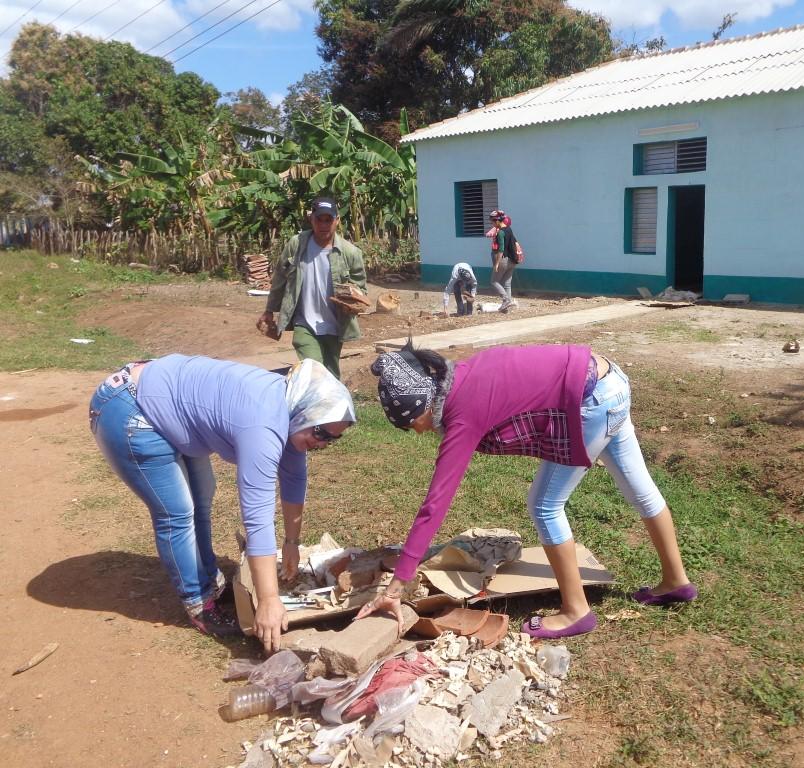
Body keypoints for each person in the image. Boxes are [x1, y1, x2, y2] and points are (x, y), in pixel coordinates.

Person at [356, 344, 696, 639]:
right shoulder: (462, 375)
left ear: (425, 401)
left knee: (545, 505)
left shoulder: (462, 414)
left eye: (414, 422)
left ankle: (576, 611)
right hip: (610, 380)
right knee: (641, 491)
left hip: (590, 399)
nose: (419, 432)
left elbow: (436, 503)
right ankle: (675, 582)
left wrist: (397, 585)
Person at [88, 355, 356, 653]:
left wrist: (292, 542)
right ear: (305, 414)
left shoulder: (294, 410)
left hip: (165, 402)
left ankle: (210, 585)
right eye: (320, 433)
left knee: (201, 499)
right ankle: (198, 602)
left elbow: (294, 478)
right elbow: (258, 518)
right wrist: (268, 600)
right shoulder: (264, 427)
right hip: (129, 409)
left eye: (334, 439)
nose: (323, 443)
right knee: (177, 513)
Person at [259, 196, 367, 379]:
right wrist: (269, 310)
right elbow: (279, 279)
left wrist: (353, 301)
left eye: (329, 220)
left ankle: (334, 405)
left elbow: (361, 290)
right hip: (304, 323)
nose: (324, 225)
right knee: (314, 370)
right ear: (311, 219)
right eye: (319, 219)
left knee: (331, 375)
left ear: (337, 220)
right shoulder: (297, 245)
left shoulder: (350, 253)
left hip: (335, 324)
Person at [488, 209, 518, 313]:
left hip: (503, 260)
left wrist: (496, 264)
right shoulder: (509, 229)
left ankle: (506, 300)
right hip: (512, 261)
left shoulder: (500, 232)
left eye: (492, 221)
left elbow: (501, 249)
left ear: (497, 221)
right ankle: (506, 308)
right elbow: (515, 242)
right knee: (507, 284)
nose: (491, 223)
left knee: (494, 281)